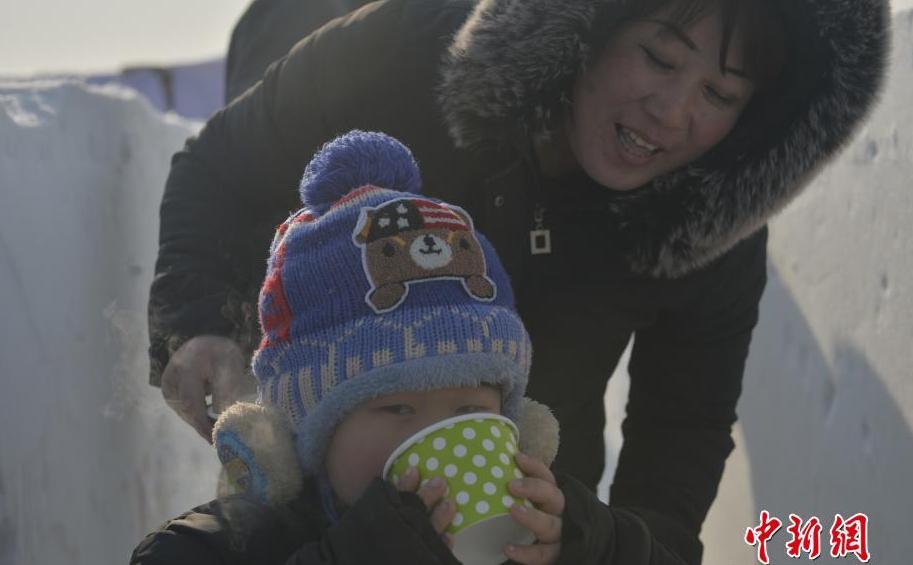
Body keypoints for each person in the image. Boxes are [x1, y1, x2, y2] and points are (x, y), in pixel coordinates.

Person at [147, 0, 889, 562]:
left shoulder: (713, 226)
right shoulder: (411, 49)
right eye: (661, 58)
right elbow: (215, 170)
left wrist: (581, 536)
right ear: (589, 25)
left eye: (720, 95)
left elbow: (676, 456)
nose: (672, 112)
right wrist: (197, 321)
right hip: (319, 506)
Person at [133, 130, 687, 564]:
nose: (433, 436)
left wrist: (594, 545)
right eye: (397, 407)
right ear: (304, 432)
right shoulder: (228, 546)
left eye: (470, 411)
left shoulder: (535, 538)